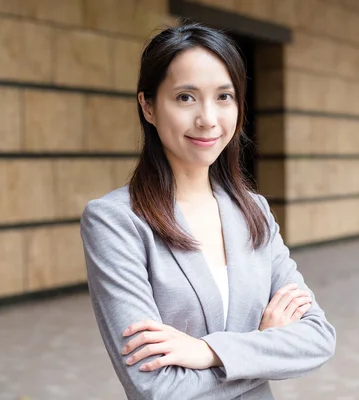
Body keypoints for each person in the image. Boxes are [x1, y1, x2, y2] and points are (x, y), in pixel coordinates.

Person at [80, 22, 336, 400]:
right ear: (148, 106)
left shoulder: (254, 211)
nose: (208, 119)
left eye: (224, 97)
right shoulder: (116, 221)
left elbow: (318, 338)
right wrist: (263, 347)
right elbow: (156, 387)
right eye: (185, 97)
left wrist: (208, 351)